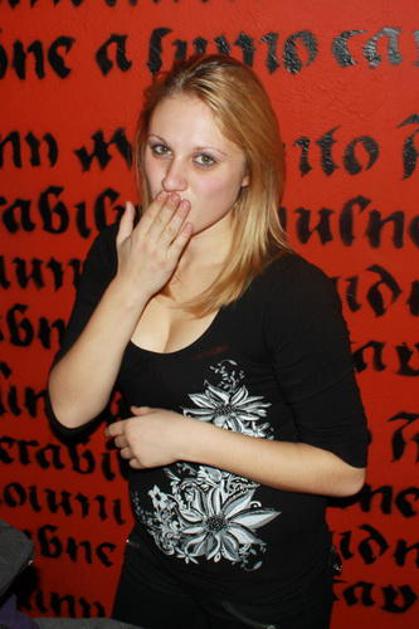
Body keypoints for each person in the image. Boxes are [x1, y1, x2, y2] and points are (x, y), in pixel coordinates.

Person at [46, 54, 368, 629]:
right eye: (160, 149)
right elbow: (70, 411)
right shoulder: (118, 252)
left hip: (267, 597)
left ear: (249, 173)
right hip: (154, 568)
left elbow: (345, 471)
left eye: (204, 159)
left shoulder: (291, 291)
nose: (171, 180)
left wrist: (190, 439)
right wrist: (131, 284)